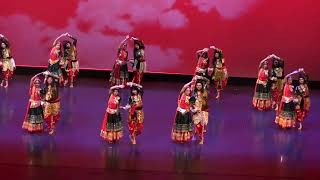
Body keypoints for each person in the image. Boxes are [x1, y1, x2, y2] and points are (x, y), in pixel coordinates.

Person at [191, 79, 209, 144]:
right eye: (197, 85)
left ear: (202, 86)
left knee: (201, 126)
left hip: (202, 111)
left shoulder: (204, 92)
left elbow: (205, 102)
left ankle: (201, 139)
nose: (198, 86)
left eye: (200, 85)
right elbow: (191, 103)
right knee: (196, 124)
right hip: (196, 112)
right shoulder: (193, 93)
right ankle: (195, 134)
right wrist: (194, 108)